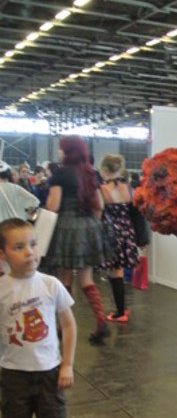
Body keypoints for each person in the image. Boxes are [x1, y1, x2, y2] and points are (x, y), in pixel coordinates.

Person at [0, 218, 82, 418]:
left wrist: (67, 365)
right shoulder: (2, 290)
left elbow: (69, 326)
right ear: (3, 253)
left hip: (49, 373)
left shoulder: (51, 284)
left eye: (33, 244)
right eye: (19, 247)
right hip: (13, 375)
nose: (30, 252)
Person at [45, 136, 108, 344]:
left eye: (62, 149)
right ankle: (101, 320)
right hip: (88, 227)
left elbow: (53, 206)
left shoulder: (60, 174)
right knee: (87, 279)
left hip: (67, 227)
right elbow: (99, 204)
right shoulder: (91, 173)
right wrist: (90, 226)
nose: (59, 152)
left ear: (68, 152)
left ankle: (64, 326)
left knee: (65, 279)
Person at [99, 154, 139, 322]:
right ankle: (122, 309)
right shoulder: (128, 187)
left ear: (106, 170)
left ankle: (120, 312)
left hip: (111, 233)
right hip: (127, 231)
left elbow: (98, 212)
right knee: (120, 271)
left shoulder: (102, 189)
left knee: (115, 272)